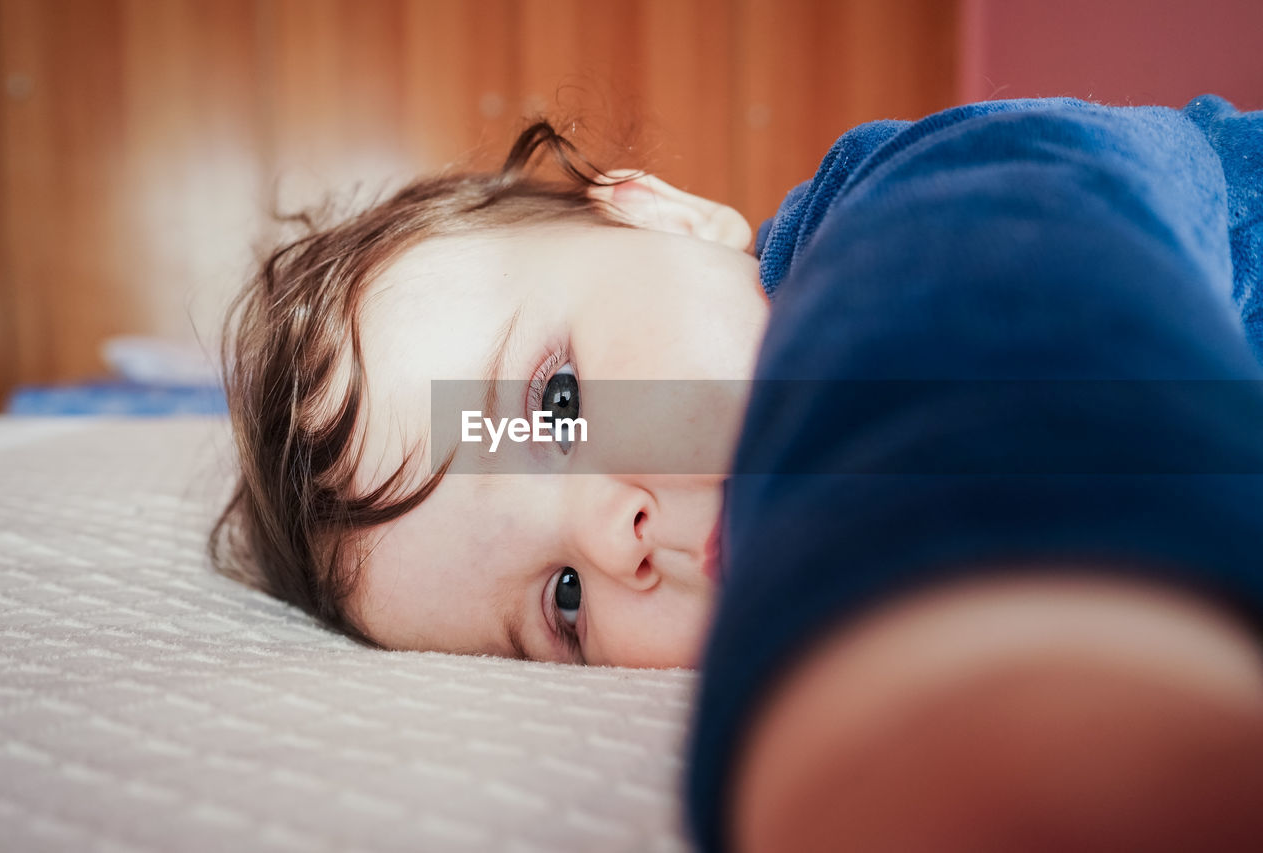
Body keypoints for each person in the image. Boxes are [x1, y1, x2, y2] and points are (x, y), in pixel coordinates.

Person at [213, 96, 1263, 850]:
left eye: (556, 404)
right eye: (561, 603)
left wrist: (958, 647)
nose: (607, 534)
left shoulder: (905, 201)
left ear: (669, 218)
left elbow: (997, 272)